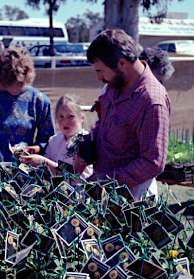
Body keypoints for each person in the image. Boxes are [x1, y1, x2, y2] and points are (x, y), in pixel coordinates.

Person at [86, 29, 171, 200]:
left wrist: (106, 180)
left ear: (122, 63)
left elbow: (152, 163)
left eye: (100, 71)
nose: (98, 77)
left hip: (132, 202)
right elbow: (102, 125)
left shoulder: (152, 100)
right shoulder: (113, 84)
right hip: (104, 195)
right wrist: (86, 147)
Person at [20, 94, 93, 179]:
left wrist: (43, 161)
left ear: (82, 117)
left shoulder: (85, 141)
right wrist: (29, 156)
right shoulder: (54, 140)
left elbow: (72, 173)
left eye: (71, 117)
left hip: (80, 190)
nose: (65, 121)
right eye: (61, 116)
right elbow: (47, 167)